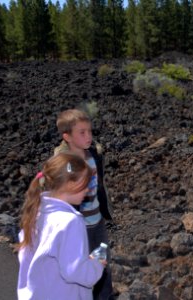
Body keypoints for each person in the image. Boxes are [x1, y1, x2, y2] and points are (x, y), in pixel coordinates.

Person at [17, 152, 105, 299]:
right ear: (71, 184)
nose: (89, 189)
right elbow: (77, 271)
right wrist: (98, 261)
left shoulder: (37, 211)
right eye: (86, 183)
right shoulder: (70, 221)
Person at [54, 108, 114, 300]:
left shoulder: (94, 153)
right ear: (67, 136)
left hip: (98, 222)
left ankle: (105, 297)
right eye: (82, 132)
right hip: (78, 227)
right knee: (81, 270)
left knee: (102, 263)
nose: (88, 136)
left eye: (90, 131)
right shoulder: (63, 163)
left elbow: (100, 185)